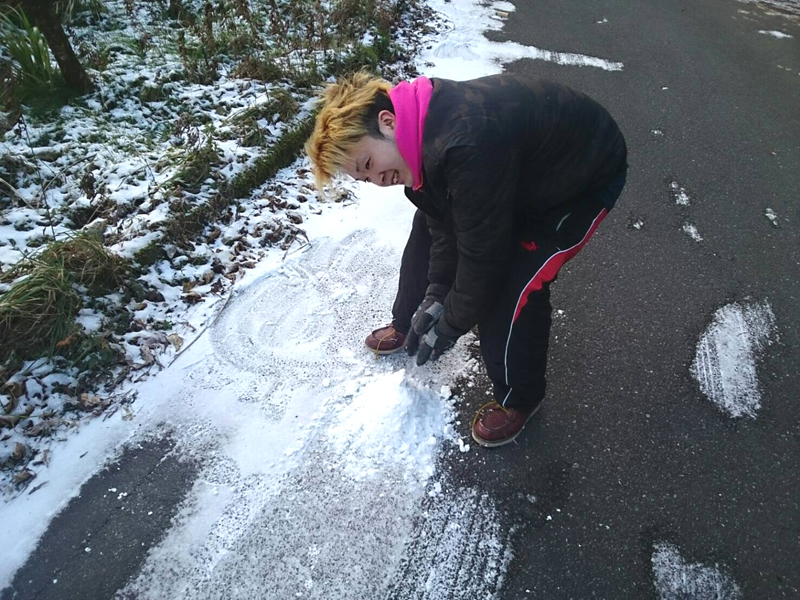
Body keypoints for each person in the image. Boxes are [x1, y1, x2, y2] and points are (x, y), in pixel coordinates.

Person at [305, 71, 627, 448]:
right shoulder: (417, 146)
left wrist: (450, 324)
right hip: (513, 177)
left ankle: (519, 399)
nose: (377, 180)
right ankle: (408, 322)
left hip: (578, 177)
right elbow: (443, 226)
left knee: (514, 281)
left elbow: (482, 258)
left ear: (387, 123)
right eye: (363, 179)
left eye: (367, 164)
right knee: (425, 230)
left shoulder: (464, 143)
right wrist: (437, 294)